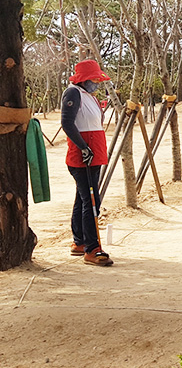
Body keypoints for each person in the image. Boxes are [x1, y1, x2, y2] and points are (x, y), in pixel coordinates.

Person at [62, 60, 113, 266]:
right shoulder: (72, 93)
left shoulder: (89, 96)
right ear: (83, 79)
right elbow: (67, 122)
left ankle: (80, 241)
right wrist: (84, 147)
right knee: (92, 201)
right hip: (83, 155)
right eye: (93, 79)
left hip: (95, 154)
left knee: (83, 198)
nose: (96, 83)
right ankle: (92, 249)